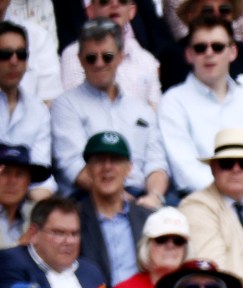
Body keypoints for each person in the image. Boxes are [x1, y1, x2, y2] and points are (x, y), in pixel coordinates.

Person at [158, 16, 243, 198]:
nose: (209, 53)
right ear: (189, 55)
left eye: (217, 47)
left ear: (232, 52)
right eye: (200, 48)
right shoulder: (173, 102)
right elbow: (187, 174)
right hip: (204, 202)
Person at [51, 18, 167, 208]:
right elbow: (73, 166)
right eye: (91, 57)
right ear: (80, 59)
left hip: (141, 196)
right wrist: (123, 201)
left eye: (107, 56)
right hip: (86, 197)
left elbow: (157, 164)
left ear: (120, 57)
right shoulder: (65, 105)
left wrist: (154, 197)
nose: (99, 63)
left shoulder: (141, 109)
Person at [177, 128, 243, 277]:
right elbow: (214, 274)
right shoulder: (196, 207)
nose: (236, 169)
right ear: (213, 168)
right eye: (227, 163)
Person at [0, 21, 55, 200]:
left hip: (25, 198)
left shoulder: (38, 110)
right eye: (5, 54)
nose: (14, 61)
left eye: (21, 54)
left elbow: (41, 172)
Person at [158, 0, 243, 107]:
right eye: (207, 11)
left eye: (224, 11)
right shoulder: (174, 54)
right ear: (191, 15)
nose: (216, 16)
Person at [75, 132, 153, 288]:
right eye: (99, 161)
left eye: (115, 160)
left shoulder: (148, 219)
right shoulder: (74, 218)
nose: (107, 167)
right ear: (88, 170)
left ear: (129, 169)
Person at [59, 0, 162, 108]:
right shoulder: (74, 54)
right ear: (90, 11)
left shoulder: (146, 59)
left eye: (122, 1)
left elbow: (154, 112)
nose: (114, 5)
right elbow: (74, 106)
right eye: (104, 1)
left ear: (132, 11)